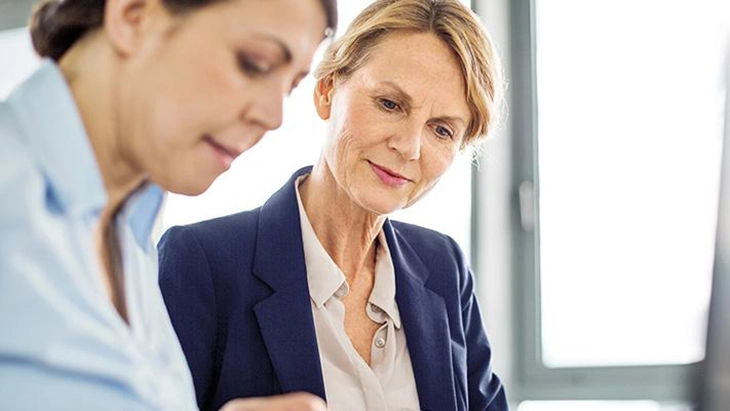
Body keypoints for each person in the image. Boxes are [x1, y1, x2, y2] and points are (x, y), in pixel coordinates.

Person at [157, 0, 508, 410]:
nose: (409, 147)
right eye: (390, 104)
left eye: (442, 130)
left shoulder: (444, 268)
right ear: (326, 90)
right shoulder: (201, 263)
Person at [0, 0, 337, 409]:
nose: (273, 116)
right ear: (133, 15)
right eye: (255, 63)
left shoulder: (132, 232)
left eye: (290, 86)